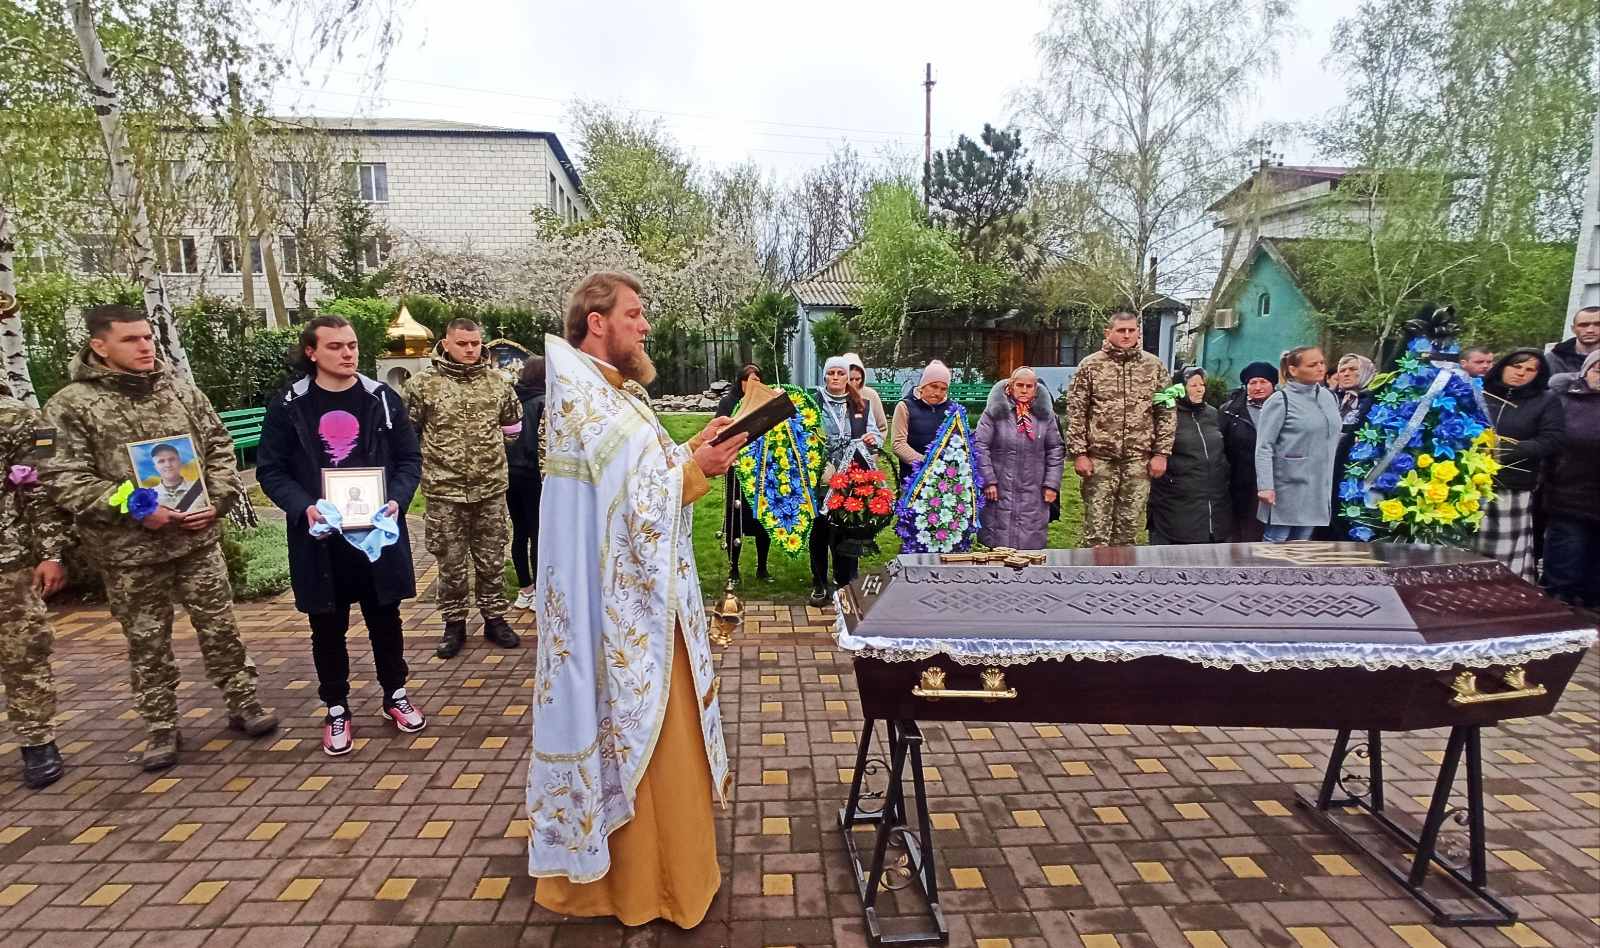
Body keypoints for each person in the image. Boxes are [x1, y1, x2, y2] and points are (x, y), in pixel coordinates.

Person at [530, 271, 743, 928]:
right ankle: (646, 887)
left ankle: (666, 875)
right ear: (597, 321)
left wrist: (692, 451)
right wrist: (693, 471)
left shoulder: (611, 396)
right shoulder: (587, 399)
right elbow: (635, 501)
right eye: (635, 313)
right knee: (646, 731)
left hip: (644, 600)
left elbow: (639, 476)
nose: (645, 325)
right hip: (615, 611)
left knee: (659, 731)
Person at [40, 304, 277, 771]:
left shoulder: (181, 392)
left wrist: (220, 499)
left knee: (220, 628)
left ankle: (243, 702)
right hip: (131, 552)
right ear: (99, 346)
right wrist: (135, 509)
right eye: (131, 339)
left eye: (148, 337)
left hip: (196, 540)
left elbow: (219, 448)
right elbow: (65, 478)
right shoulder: (70, 406)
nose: (146, 346)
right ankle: (161, 724)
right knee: (147, 640)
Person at [256, 315, 426, 757]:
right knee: (326, 627)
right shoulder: (289, 405)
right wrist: (304, 506)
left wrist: (397, 500)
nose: (347, 353)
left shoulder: (382, 399)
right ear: (311, 352)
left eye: (351, 345)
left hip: (376, 537)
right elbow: (270, 471)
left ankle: (395, 694)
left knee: (385, 620)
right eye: (335, 347)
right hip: (321, 541)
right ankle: (336, 707)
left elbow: (409, 460)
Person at [403, 318, 523, 658]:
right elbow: (407, 433)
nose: (470, 349)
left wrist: (489, 454)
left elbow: (513, 427)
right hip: (444, 492)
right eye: (462, 343)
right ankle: (453, 624)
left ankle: (494, 618)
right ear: (446, 342)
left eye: (474, 343)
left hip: (490, 489)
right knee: (450, 563)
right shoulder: (422, 386)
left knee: (492, 559)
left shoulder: (498, 383)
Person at [0, 381, 70, 789]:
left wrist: (51, 552)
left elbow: (41, 487)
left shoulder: (15, 416)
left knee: (23, 652)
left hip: (7, 561)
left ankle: (37, 741)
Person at [1064, 311, 1175, 546]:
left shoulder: (1154, 366)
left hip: (1138, 460)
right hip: (1099, 460)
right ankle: (1090, 580)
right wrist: (1079, 454)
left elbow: (1166, 410)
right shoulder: (1090, 365)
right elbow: (1076, 411)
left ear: (1138, 332)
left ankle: (1123, 580)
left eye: (1131, 330)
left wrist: (1161, 454)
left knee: (1128, 531)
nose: (1126, 335)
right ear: (1108, 333)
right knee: (1096, 532)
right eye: (1121, 330)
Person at [1474, 349, 1565, 581]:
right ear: (1503, 365)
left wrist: (1506, 451)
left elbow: (1552, 439)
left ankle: (1502, 594)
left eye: (1530, 369)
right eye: (1516, 366)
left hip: (1510, 486)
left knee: (1501, 553)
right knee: (1466, 547)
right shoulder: (1477, 392)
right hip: (1468, 485)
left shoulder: (1546, 400)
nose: (1521, 373)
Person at [811, 356, 880, 606]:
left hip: (852, 476)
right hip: (822, 475)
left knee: (847, 529)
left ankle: (846, 581)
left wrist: (872, 440)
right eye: (832, 373)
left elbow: (874, 434)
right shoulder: (814, 401)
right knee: (820, 530)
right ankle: (820, 583)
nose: (837, 378)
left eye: (841, 373)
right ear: (825, 376)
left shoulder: (861, 403)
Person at [1254, 346, 1342, 542]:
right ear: (1293, 370)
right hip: (1287, 484)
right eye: (1312, 364)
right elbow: (1264, 446)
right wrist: (1265, 485)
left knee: (1303, 546)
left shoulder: (1328, 397)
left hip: (1318, 484)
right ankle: (1267, 574)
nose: (1320, 368)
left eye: (1321, 363)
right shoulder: (1280, 400)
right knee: (1277, 543)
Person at [974, 366, 1063, 550]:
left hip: (1034, 491)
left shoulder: (1046, 417)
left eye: (1029, 386)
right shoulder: (993, 414)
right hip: (999, 490)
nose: (1024, 390)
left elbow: (1055, 450)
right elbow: (980, 446)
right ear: (1010, 386)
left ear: (1035, 388)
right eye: (1020, 385)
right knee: (997, 542)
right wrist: (989, 481)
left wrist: (1051, 485)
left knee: (1030, 545)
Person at [1148, 367, 1232, 544]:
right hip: (1176, 497)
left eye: (1202, 384)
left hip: (1213, 497)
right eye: (1193, 385)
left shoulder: (1212, 413)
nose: (1200, 389)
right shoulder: (1166, 414)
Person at [1542, 351, 1600, 608]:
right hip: (1569, 492)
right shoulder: (1564, 398)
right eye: (1599, 370)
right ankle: (1558, 604)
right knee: (1567, 552)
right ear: (1585, 371)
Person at [715, 364, 772, 583]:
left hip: (762, 471)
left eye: (757, 380)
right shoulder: (729, 403)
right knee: (735, 520)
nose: (753, 384)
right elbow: (720, 432)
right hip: (737, 470)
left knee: (762, 520)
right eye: (748, 380)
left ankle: (763, 568)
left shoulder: (767, 403)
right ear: (740, 382)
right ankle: (734, 568)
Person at [1219, 362, 1277, 542]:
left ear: (1273, 384)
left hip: (1278, 480)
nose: (1258, 387)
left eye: (1263, 382)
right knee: (1244, 534)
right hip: (1241, 482)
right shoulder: (1230, 411)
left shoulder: (1284, 408)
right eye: (1252, 383)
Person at [1322, 353, 1377, 540]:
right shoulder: (1329, 399)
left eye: (1353, 369)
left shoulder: (1374, 402)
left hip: (1355, 473)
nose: (1345, 374)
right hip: (1324, 472)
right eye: (1342, 370)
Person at [507, 357, 545, 610]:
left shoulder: (511, 399)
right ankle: (541, 590)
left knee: (519, 532)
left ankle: (525, 590)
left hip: (510, 474)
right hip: (533, 474)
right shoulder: (544, 402)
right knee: (538, 532)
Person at [891, 359, 957, 482]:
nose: (937, 393)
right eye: (934, 386)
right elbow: (898, 444)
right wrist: (926, 463)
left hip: (943, 479)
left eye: (943, 389)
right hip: (912, 478)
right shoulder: (905, 406)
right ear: (923, 385)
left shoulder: (953, 409)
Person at [1545, 306, 1600, 376]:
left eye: (1598, 325)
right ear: (1573, 329)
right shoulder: (1553, 359)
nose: (1590, 330)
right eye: (1583, 325)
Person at [843, 352, 889, 434]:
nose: (854, 383)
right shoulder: (836, 397)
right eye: (850, 379)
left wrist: (875, 442)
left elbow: (882, 428)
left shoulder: (871, 395)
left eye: (857, 379)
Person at [150, 443, 205, 511]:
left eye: (172, 459)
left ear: (180, 462)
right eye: (161, 461)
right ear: (156, 468)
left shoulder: (201, 488)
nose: (168, 465)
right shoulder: (149, 496)